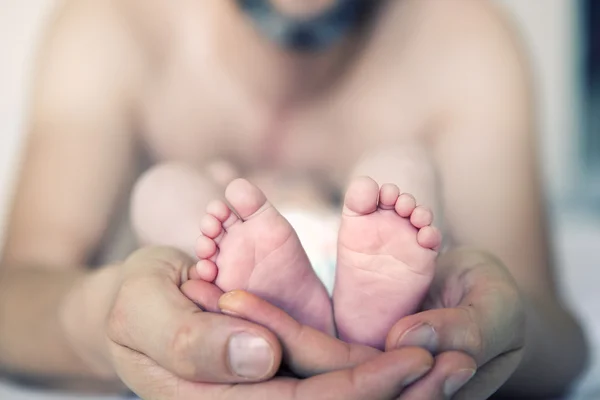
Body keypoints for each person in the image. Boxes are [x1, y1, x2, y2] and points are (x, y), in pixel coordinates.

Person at [0, 0, 588, 399]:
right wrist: (107, 318)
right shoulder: (113, 25)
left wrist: (491, 324)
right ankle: (244, 273)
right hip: (223, 287)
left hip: (352, 290)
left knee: (401, 174)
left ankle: (362, 305)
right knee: (169, 195)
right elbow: (13, 297)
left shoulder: (465, 42)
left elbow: (561, 342)